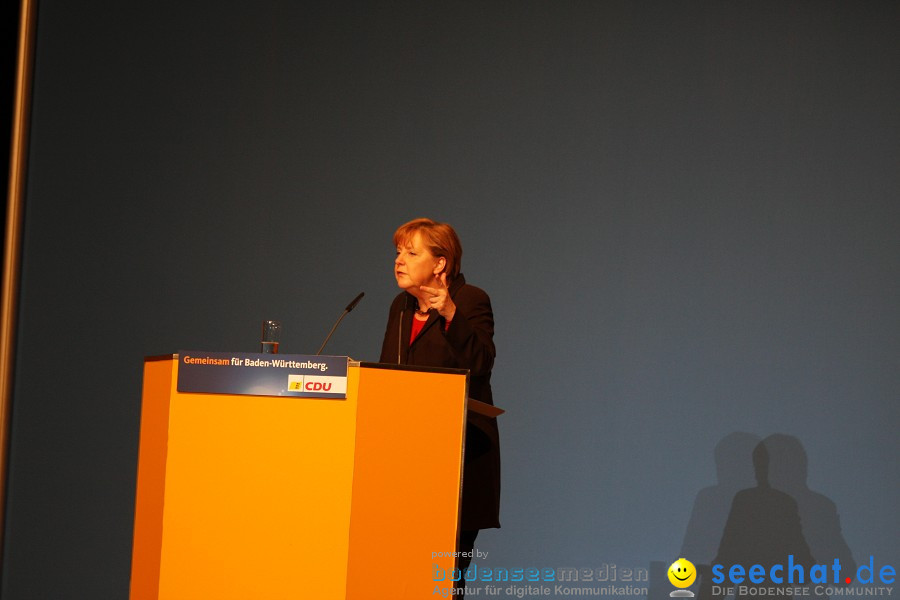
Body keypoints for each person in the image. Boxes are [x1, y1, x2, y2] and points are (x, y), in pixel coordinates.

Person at [379, 218, 501, 594]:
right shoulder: (401, 307)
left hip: (457, 459)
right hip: (407, 463)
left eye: (411, 252)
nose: (399, 260)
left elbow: (482, 362)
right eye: (398, 251)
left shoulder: (470, 300)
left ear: (440, 263)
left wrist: (449, 314)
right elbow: (388, 378)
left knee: (444, 580)